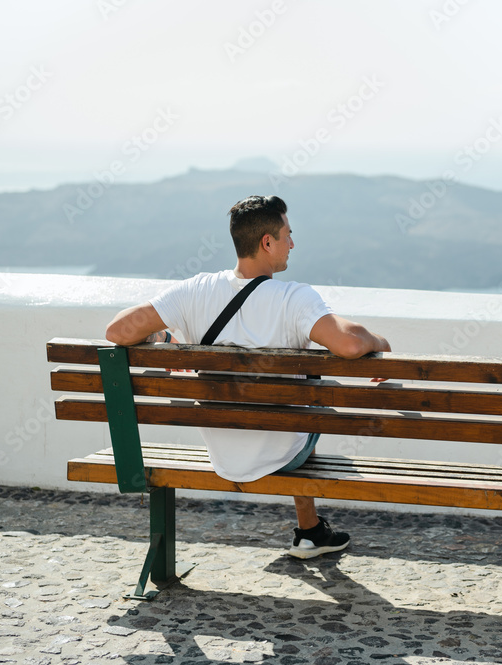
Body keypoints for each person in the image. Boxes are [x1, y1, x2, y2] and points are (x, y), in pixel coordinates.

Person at [104, 195, 391, 559]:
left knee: (300, 405)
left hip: (222, 452)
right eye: (287, 235)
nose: (292, 243)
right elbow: (350, 344)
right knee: (312, 406)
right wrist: (380, 341)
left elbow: (117, 331)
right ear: (267, 242)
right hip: (283, 453)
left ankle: (310, 531)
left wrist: (160, 337)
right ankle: (309, 531)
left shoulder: (194, 290)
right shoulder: (294, 298)